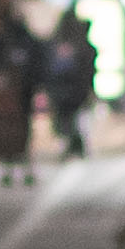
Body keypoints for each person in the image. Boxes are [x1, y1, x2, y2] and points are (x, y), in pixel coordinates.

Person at [43, 12, 97, 159]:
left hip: (62, 89)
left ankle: (69, 145)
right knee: (76, 118)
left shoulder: (56, 43)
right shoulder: (82, 45)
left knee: (65, 120)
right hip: (76, 89)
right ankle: (75, 145)